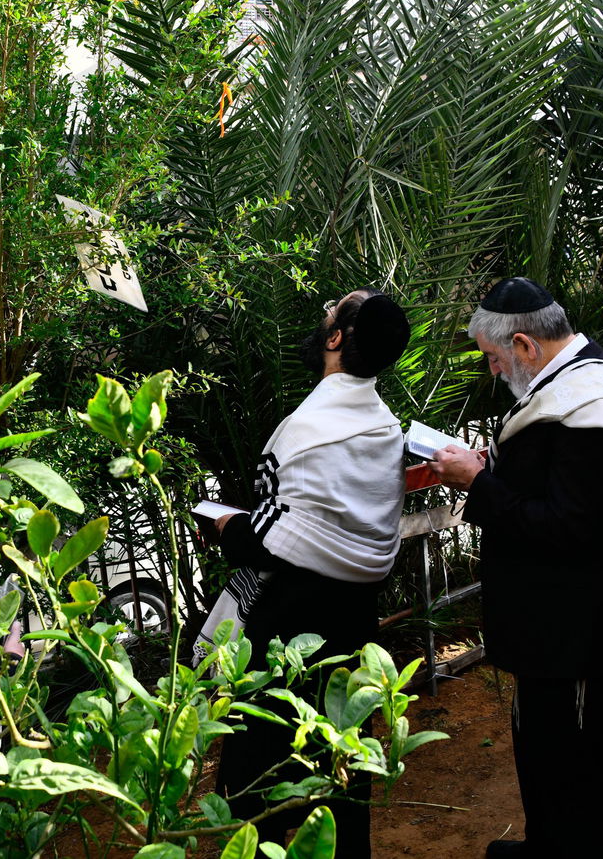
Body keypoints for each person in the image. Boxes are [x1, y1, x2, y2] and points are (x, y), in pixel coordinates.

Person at [428, 278, 603, 859]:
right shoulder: (569, 387)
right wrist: (491, 467)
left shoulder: (590, 407)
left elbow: (569, 528)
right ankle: (548, 843)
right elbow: (550, 486)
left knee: (579, 768)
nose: (495, 372)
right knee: (548, 759)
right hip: (549, 633)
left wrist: (477, 484)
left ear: (525, 345)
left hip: (573, 634)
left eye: (495, 359)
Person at [209, 287, 411, 857]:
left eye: (333, 313)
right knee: (344, 768)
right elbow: (352, 529)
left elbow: (271, 540)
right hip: (353, 629)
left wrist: (227, 527)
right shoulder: (386, 430)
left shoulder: (306, 428)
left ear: (336, 338)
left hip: (287, 631)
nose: (325, 315)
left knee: (261, 782)